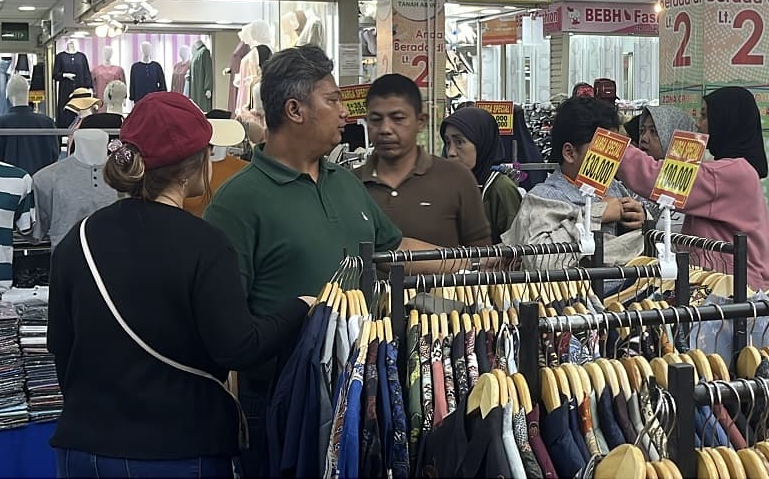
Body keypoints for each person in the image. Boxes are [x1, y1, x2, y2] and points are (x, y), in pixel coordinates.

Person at [49, 92, 312, 478]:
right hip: (180, 449)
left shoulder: (80, 239)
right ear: (196, 165)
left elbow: (62, 349)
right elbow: (237, 347)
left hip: (84, 449)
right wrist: (301, 307)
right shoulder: (206, 243)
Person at [204, 47, 430, 479]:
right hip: (280, 403)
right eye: (333, 100)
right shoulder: (238, 202)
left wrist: (478, 263)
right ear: (295, 110)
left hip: (364, 392)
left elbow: (392, 249)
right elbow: (226, 331)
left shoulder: (343, 180)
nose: (347, 113)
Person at [617, 86, 769, 290]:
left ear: (726, 121)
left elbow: (659, 179)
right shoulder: (732, 170)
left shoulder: (734, 173)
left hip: (732, 291)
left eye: (704, 116)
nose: (698, 124)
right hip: (721, 283)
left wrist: (615, 149)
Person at [503, 96, 645, 267]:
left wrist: (640, 219)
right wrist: (596, 215)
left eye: (614, 148)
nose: (611, 158)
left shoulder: (615, 189)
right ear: (570, 153)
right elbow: (540, 261)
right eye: (602, 149)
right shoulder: (541, 199)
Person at [357, 74, 492, 249]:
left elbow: (482, 258)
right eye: (376, 120)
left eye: (398, 118)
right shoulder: (350, 185)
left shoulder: (457, 179)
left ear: (421, 122)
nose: (385, 129)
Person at [441, 106, 523, 245]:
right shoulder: (449, 185)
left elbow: (515, 246)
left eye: (459, 142)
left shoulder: (500, 188)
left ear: (481, 143)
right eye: (448, 143)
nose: (451, 152)